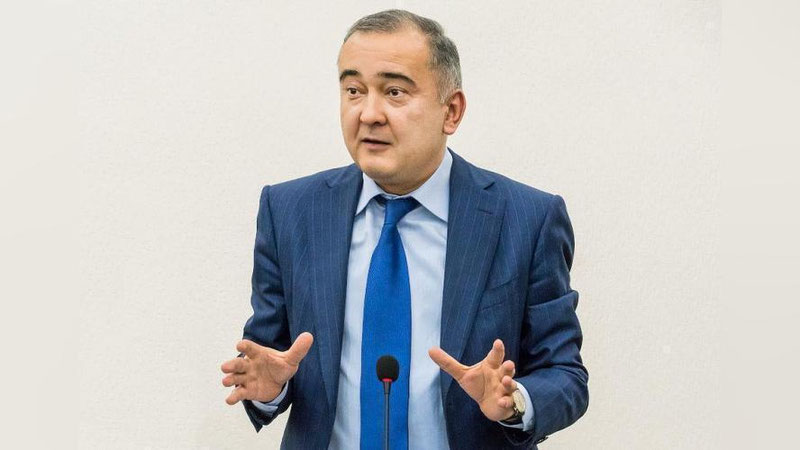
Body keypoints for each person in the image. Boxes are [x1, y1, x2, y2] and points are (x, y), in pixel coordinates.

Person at [220, 9, 588, 449]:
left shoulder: (527, 218)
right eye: (354, 90)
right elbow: (269, 356)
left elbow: (564, 373)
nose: (369, 113)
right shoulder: (290, 211)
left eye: (394, 92)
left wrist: (515, 401)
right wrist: (269, 390)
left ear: (451, 111)